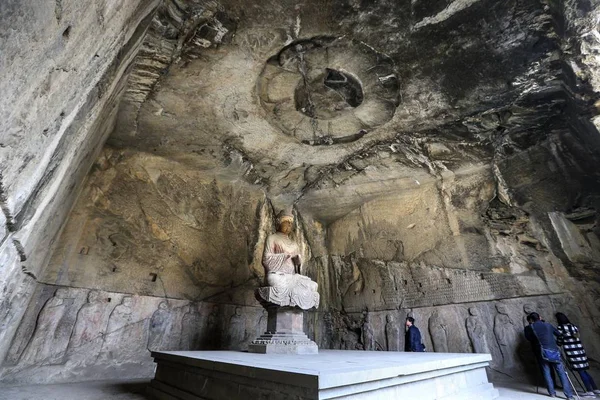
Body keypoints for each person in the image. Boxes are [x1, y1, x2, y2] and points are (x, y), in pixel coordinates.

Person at [257, 211, 320, 310]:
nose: (289, 224)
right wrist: (283, 256)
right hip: (279, 276)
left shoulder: (294, 244)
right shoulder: (272, 238)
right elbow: (266, 259)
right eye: (286, 221)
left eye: (291, 222)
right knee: (272, 280)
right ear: (279, 223)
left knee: (313, 285)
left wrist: (298, 263)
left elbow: (297, 270)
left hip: (292, 277)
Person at [524, 312, 575, 400]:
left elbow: (529, 339)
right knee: (561, 373)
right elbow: (559, 335)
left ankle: (552, 393)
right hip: (554, 351)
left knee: (546, 372)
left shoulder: (529, 328)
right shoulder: (548, 325)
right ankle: (569, 395)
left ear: (531, 320)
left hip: (541, 352)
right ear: (540, 317)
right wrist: (558, 343)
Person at [556, 312, 600, 397]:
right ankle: (595, 388)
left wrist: (558, 344)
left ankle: (589, 391)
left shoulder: (561, 328)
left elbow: (560, 339)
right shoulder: (574, 327)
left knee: (581, 372)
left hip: (572, 353)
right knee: (584, 371)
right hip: (580, 351)